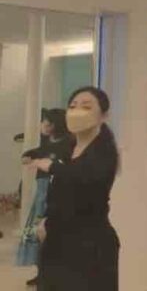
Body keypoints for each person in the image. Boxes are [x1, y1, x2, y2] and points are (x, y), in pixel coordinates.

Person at [30, 87, 120, 291]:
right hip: (56, 243)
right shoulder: (68, 148)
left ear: (103, 116)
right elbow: (61, 193)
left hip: (90, 246)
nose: (77, 111)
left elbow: (86, 179)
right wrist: (46, 220)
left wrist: (52, 167)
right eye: (72, 106)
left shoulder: (105, 151)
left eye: (86, 107)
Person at [17, 108, 73, 287]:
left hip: (55, 192)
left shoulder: (68, 143)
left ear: (55, 124)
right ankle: (41, 273)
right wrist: (28, 155)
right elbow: (38, 151)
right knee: (37, 233)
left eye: (46, 122)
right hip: (41, 192)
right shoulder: (47, 141)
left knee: (50, 232)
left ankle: (55, 274)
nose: (43, 125)